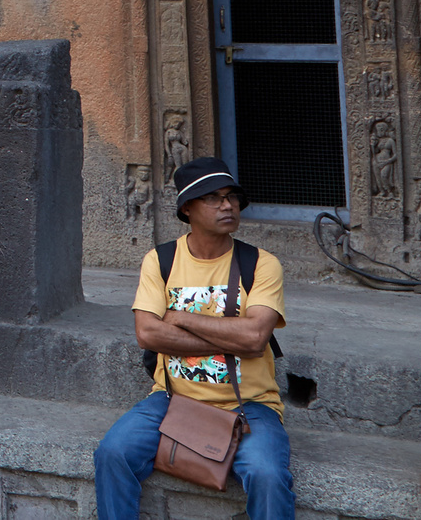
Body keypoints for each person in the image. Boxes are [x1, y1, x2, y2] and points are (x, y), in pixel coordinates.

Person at [94, 158, 292, 520]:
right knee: (113, 453)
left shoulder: (261, 264)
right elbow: (148, 333)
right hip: (171, 400)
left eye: (231, 196)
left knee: (267, 475)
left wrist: (182, 318)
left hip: (249, 406)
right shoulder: (161, 260)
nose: (227, 205)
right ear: (187, 208)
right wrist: (228, 338)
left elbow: (254, 338)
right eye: (213, 198)